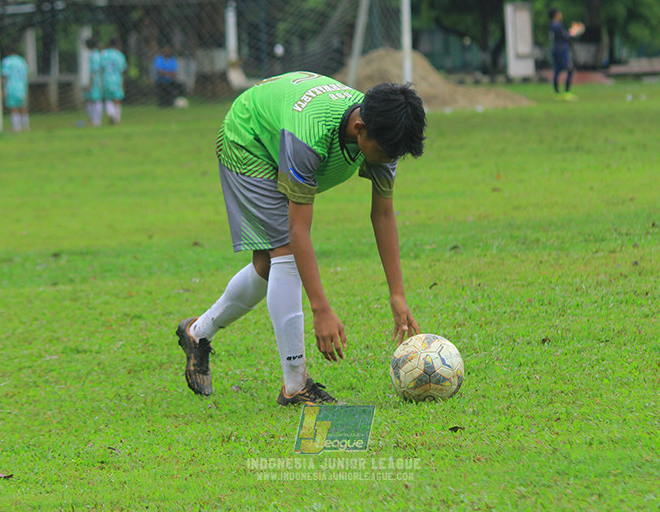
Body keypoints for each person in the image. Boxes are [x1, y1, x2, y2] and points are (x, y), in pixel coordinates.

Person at [177, 71, 426, 406]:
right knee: (285, 254)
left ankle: (198, 332)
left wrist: (397, 295)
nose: (390, 159)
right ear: (359, 130)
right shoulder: (309, 136)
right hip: (248, 139)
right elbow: (298, 232)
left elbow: (382, 215)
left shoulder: (383, 132)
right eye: (386, 152)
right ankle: (296, 385)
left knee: (268, 266)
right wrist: (320, 309)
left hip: (280, 126)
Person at [549, 8, 584, 100]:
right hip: (562, 50)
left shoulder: (552, 26)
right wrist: (575, 31)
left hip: (555, 49)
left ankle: (557, 92)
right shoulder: (558, 26)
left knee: (557, 71)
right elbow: (566, 37)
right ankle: (567, 92)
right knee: (570, 69)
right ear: (556, 15)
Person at [0, 49, 30, 133]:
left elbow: (5, 75)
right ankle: (26, 126)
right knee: (23, 107)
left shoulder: (7, 61)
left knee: (14, 108)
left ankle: (16, 127)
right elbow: (27, 73)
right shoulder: (22, 61)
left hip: (11, 87)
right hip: (22, 87)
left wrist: (3, 88)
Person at [102, 38, 127, 125]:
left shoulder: (104, 53)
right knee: (117, 99)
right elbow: (122, 69)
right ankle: (117, 118)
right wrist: (123, 83)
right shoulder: (120, 55)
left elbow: (101, 67)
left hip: (106, 78)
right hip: (117, 78)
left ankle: (111, 114)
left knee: (108, 98)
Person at [84, 38, 104, 126]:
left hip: (95, 80)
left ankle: (96, 120)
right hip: (100, 79)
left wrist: (90, 83)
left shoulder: (93, 55)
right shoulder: (99, 54)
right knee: (94, 99)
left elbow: (94, 71)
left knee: (94, 99)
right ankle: (94, 119)